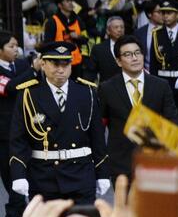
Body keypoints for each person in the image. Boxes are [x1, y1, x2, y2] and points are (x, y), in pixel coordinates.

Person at [8, 42, 109, 204]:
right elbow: (18, 139)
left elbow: (97, 137)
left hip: (81, 175)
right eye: (55, 64)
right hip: (44, 177)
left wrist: (102, 172)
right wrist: (18, 174)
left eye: (65, 63)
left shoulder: (86, 92)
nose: (61, 70)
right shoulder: (29, 94)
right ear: (43, 64)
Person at [99, 35, 178, 180]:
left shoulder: (161, 86)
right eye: (128, 55)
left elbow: (171, 121)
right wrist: (102, 164)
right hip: (121, 164)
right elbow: (99, 126)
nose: (134, 58)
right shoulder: (107, 88)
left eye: (137, 53)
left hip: (155, 161)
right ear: (118, 61)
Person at [148, 0, 178, 132]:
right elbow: (154, 63)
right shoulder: (156, 34)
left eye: (169, 13)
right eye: (163, 13)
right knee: (166, 120)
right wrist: (153, 86)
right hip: (164, 82)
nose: (165, 16)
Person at [0, 31, 33, 217]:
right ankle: (15, 212)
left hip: (24, 127)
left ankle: (17, 213)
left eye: (17, 46)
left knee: (24, 170)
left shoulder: (21, 65)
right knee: (9, 173)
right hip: (3, 133)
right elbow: (10, 87)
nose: (16, 49)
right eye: (11, 46)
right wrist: (32, 70)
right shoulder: (26, 68)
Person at [41, 0, 88, 78]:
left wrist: (77, 37)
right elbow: (47, 43)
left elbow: (86, 39)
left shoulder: (78, 20)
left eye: (71, 1)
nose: (70, 3)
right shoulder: (52, 21)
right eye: (67, 1)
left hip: (76, 62)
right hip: (59, 63)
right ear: (60, 5)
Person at [86, 16, 125, 83]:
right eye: (116, 27)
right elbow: (90, 73)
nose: (119, 30)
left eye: (122, 27)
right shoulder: (98, 49)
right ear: (108, 31)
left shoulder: (131, 46)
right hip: (106, 89)